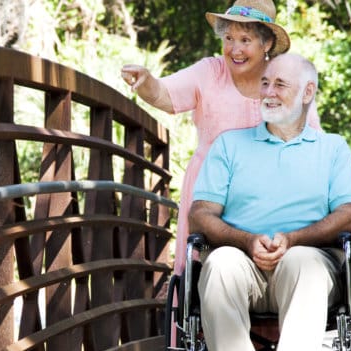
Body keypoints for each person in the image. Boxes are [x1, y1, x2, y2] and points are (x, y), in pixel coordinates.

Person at [120, 0, 321, 278]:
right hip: (210, 193)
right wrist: (146, 81)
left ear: (266, 43)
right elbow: (165, 94)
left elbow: (312, 140)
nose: (234, 49)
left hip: (271, 194)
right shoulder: (210, 71)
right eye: (228, 38)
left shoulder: (285, 76)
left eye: (245, 40)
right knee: (207, 276)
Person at [187, 53, 351, 351]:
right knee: (219, 264)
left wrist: (293, 239)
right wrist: (246, 240)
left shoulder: (332, 148)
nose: (268, 92)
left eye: (280, 84)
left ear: (308, 92)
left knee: (301, 260)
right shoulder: (229, 145)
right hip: (240, 260)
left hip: (310, 259)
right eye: (265, 83)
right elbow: (200, 214)